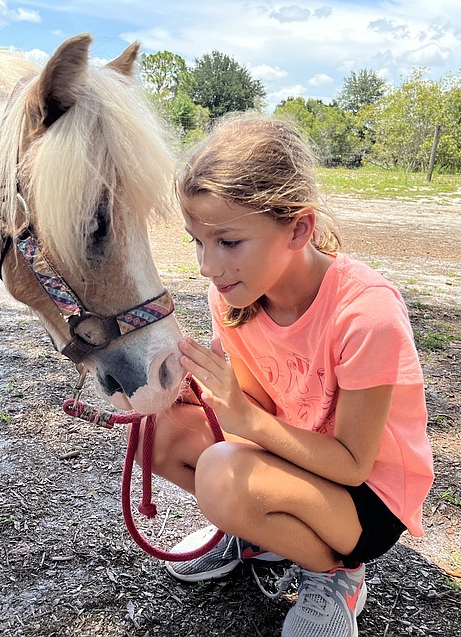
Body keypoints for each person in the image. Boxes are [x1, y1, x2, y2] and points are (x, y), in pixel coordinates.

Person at [142, 114, 434, 637]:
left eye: (228, 242)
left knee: (222, 475)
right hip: (297, 463)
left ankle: (336, 576)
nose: (208, 266)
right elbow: (253, 412)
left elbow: (349, 463)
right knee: (162, 430)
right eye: (197, 242)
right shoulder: (235, 297)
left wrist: (244, 421)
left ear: (298, 228)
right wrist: (192, 390)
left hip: (366, 498)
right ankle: (256, 532)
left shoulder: (366, 312)